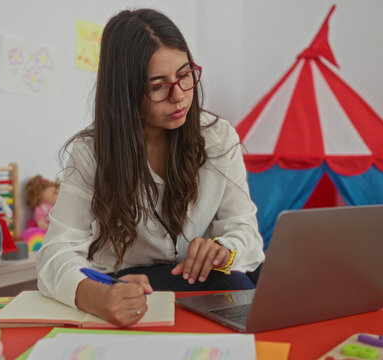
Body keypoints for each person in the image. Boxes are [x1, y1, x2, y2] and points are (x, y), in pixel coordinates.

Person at [36, 8, 265, 327]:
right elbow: (54, 255)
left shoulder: (217, 137)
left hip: (200, 278)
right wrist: (97, 297)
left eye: (185, 75)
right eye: (158, 86)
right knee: (237, 286)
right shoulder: (92, 153)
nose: (180, 96)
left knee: (258, 277)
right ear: (125, 92)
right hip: (130, 285)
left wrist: (225, 250)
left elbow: (246, 233)